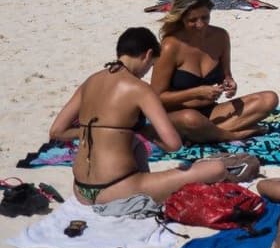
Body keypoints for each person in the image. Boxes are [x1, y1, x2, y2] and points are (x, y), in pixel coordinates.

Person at [47, 27, 232, 205]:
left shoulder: (90, 82)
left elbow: (57, 131)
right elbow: (173, 144)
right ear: (148, 55)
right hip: (116, 188)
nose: (147, 71)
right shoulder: (140, 89)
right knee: (216, 168)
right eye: (151, 66)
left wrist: (97, 133)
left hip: (81, 190)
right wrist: (146, 132)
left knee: (135, 142)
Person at [152, 0, 279, 142]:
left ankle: (208, 134)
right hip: (178, 115)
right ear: (181, 18)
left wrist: (230, 84)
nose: (200, 25)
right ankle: (232, 134)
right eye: (192, 20)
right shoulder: (170, 46)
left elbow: (227, 76)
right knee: (190, 119)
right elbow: (157, 98)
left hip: (211, 111)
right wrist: (195, 93)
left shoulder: (220, 37)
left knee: (269, 99)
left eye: (205, 18)